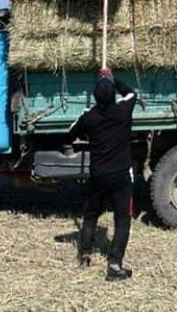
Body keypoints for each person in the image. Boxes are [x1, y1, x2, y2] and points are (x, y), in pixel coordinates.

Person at [68, 69, 137, 282]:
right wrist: (112, 78)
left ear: (95, 96)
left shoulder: (89, 117)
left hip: (98, 175)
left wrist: (86, 122)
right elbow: (132, 93)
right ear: (113, 94)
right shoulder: (123, 110)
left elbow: (70, 133)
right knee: (122, 219)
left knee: (91, 215)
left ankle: (85, 254)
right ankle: (114, 265)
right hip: (121, 176)